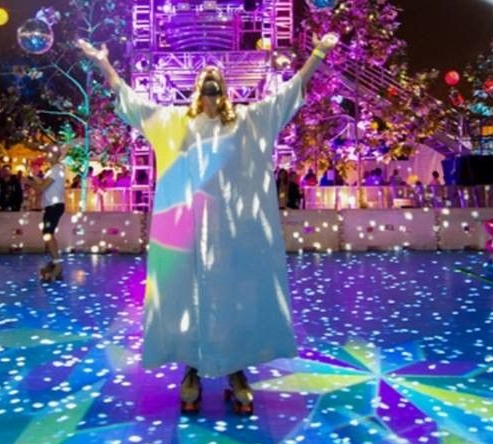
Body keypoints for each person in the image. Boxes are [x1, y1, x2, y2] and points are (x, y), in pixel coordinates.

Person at [77, 32, 338, 414]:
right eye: (204, 79)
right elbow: (132, 102)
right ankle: (192, 370)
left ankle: (236, 371)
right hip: (187, 234)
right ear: (196, 90)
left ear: (226, 90)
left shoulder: (249, 120)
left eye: (216, 79)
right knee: (188, 298)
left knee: (237, 298)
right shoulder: (175, 122)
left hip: (235, 235)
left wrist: (318, 53)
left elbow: (289, 93)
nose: (210, 80)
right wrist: (104, 62)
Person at [33, 145, 67, 281]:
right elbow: (44, 184)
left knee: (48, 235)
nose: (46, 155)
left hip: (54, 206)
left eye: (48, 153)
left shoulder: (56, 169)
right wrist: (34, 178)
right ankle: (54, 263)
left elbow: (41, 188)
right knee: (49, 235)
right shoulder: (54, 170)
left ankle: (57, 266)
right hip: (52, 206)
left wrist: (29, 182)